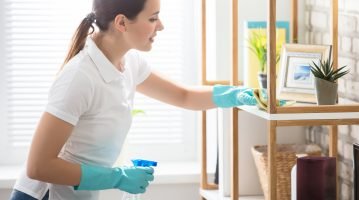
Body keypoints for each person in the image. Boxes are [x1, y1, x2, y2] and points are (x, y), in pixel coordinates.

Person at [9, 0, 257, 199]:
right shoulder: (79, 77)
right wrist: (117, 177)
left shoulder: (129, 63)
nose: (161, 26)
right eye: (153, 18)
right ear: (121, 23)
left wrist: (233, 94)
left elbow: (184, 96)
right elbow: (39, 166)